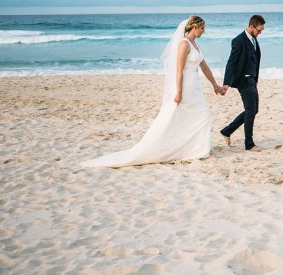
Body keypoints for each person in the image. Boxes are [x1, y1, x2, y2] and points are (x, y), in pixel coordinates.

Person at [82, 16, 226, 168]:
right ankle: (199, 152)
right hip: (186, 86)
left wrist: (215, 86)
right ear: (195, 27)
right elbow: (179, 70)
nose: (204, 31)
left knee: (199, 117)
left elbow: (204, 66)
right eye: (202, 28)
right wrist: (178, 91)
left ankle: (196, 150)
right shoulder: (184, 44)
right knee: (191, 116)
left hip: (195, 86)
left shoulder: (195, 44)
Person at [220, 14, 266, 152]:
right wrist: (226, 83)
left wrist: (255, 79)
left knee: (253, 110)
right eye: (259, 30)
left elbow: (255, 61)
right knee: (251, 110)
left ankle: (227, 131)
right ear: (251, 26)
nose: (260, 33)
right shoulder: (238, 41)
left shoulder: (254, 39)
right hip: (243, 80)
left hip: (251, 79)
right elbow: (231, 62)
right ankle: (249, 144)